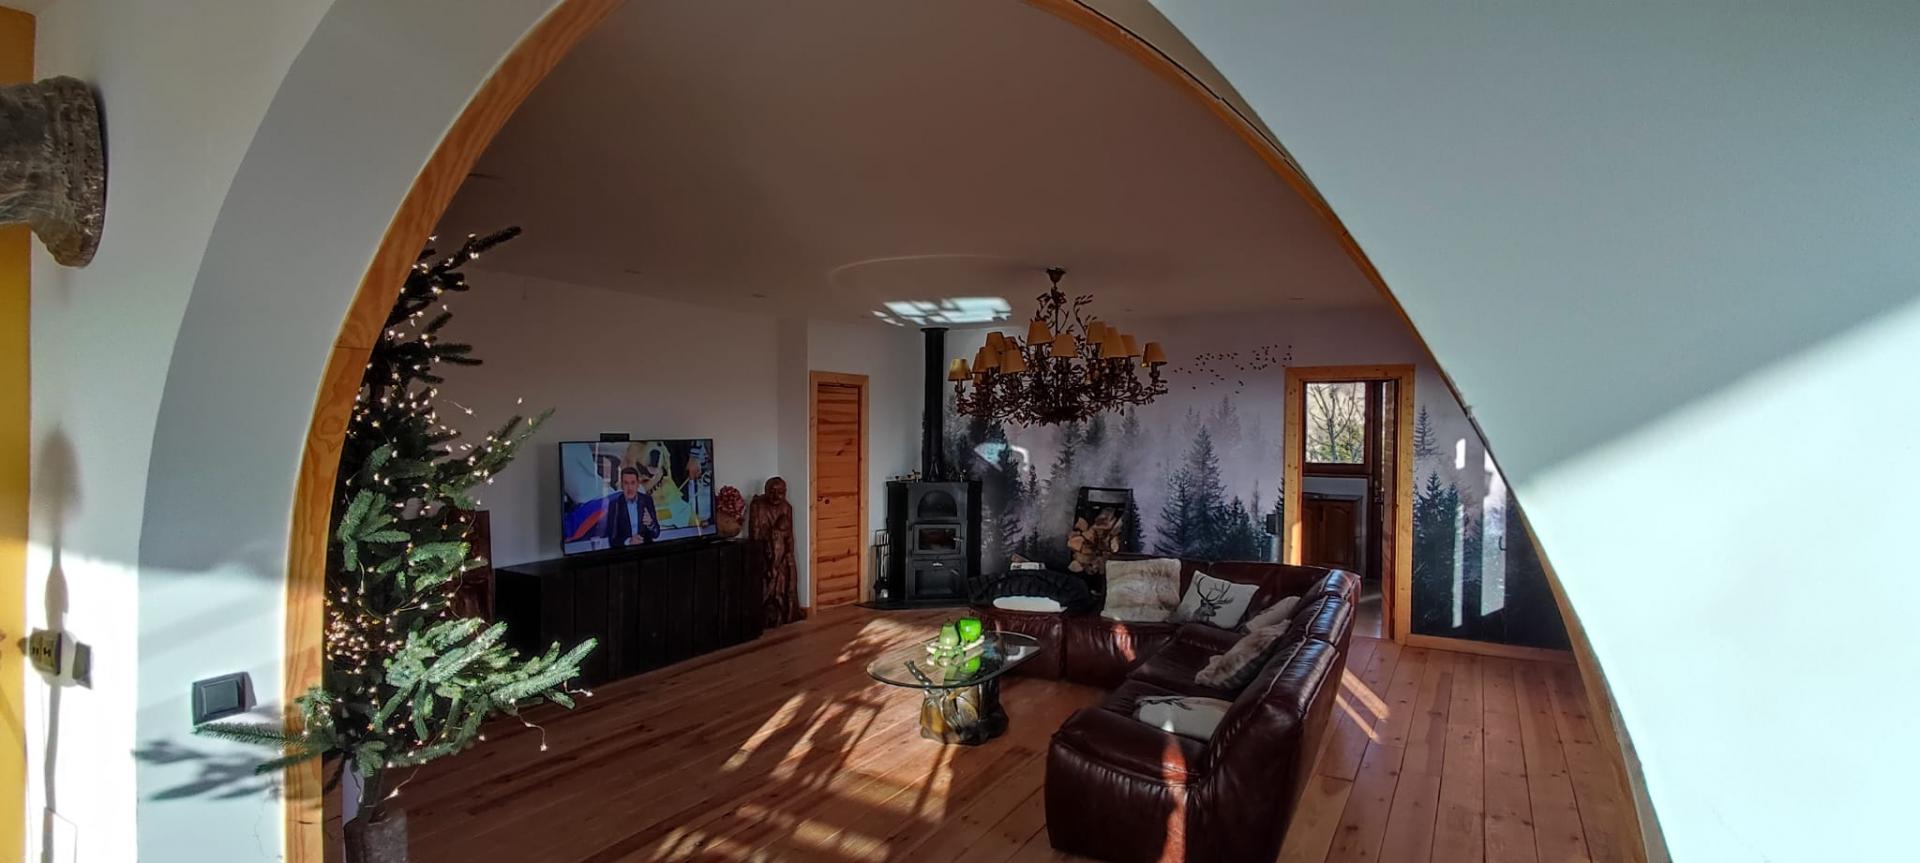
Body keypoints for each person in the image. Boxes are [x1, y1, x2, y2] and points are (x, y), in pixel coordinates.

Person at [603, 466, 660, 547]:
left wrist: (651, 523)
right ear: (622, 485)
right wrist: (629, 541)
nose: (630, 488)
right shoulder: (615, 504)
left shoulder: (647, 500)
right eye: (626, 483)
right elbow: (612, 539)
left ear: (638, 484)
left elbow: (656, 534)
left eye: (633, 483)